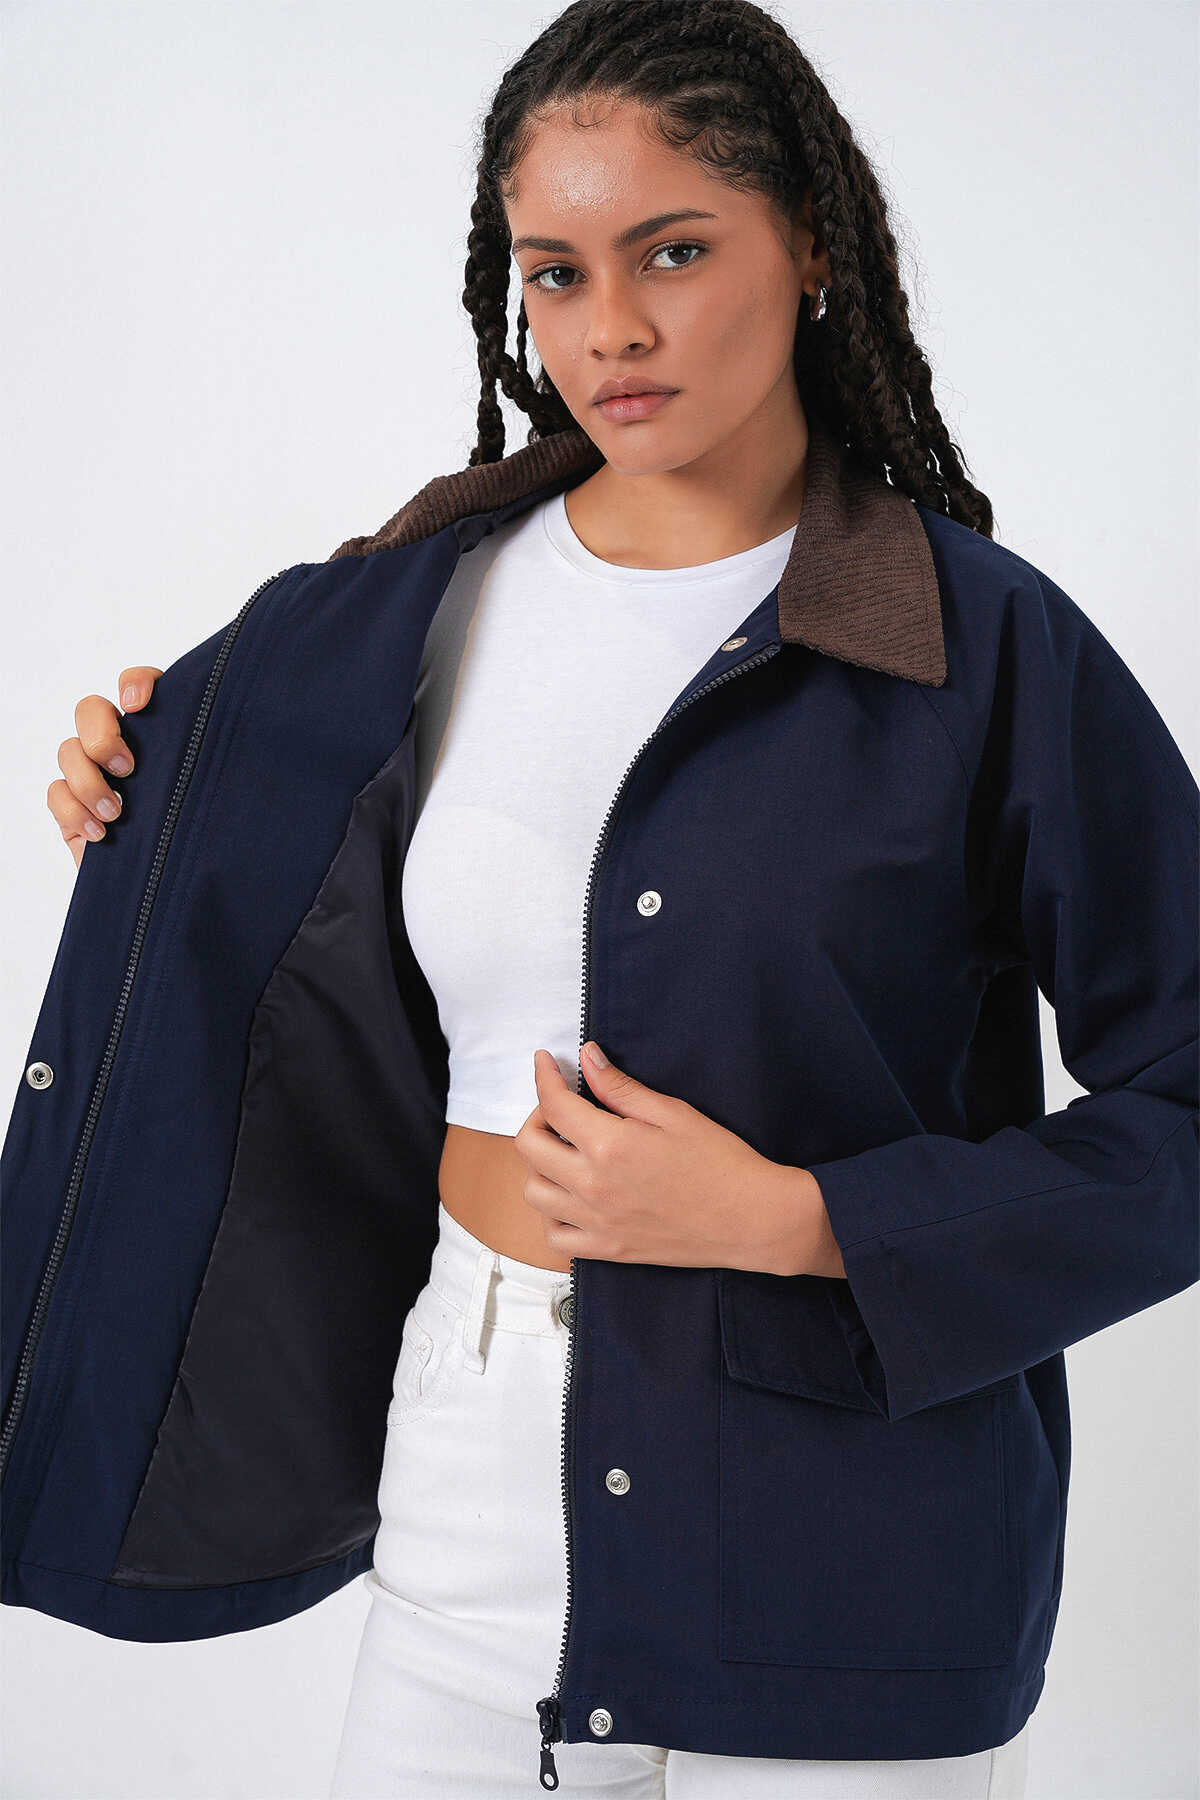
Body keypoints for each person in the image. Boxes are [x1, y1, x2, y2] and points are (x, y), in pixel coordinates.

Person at [25, 2, 1196, 1797]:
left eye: (674, 251)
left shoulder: (981, 648)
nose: (610, 330)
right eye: (555, 274)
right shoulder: (404, 607)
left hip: (844, 1548)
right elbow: (249, 930)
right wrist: (139, 782)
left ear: (812, 247)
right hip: (467, 1490)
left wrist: (806, 1219)